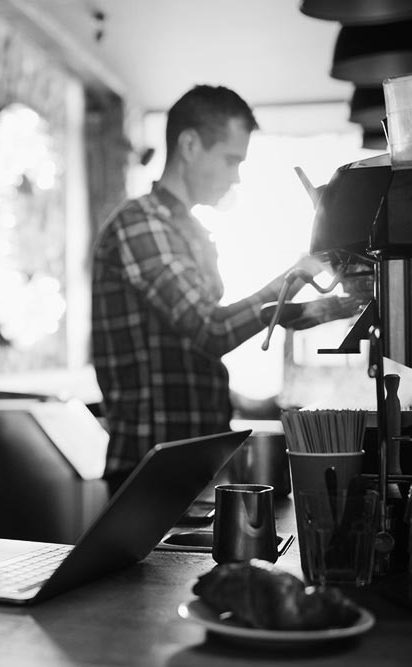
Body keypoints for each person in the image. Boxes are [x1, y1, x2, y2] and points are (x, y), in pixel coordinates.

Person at [91, 84, 363, 485]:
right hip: (150, 466)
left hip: (192, 455)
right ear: (189, 145)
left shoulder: (191, 232)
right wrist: (300, 273)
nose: (235, 176)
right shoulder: (141, 224)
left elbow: (195, 349)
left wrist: (312, 310)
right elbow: (210, 329)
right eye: (230, 160)